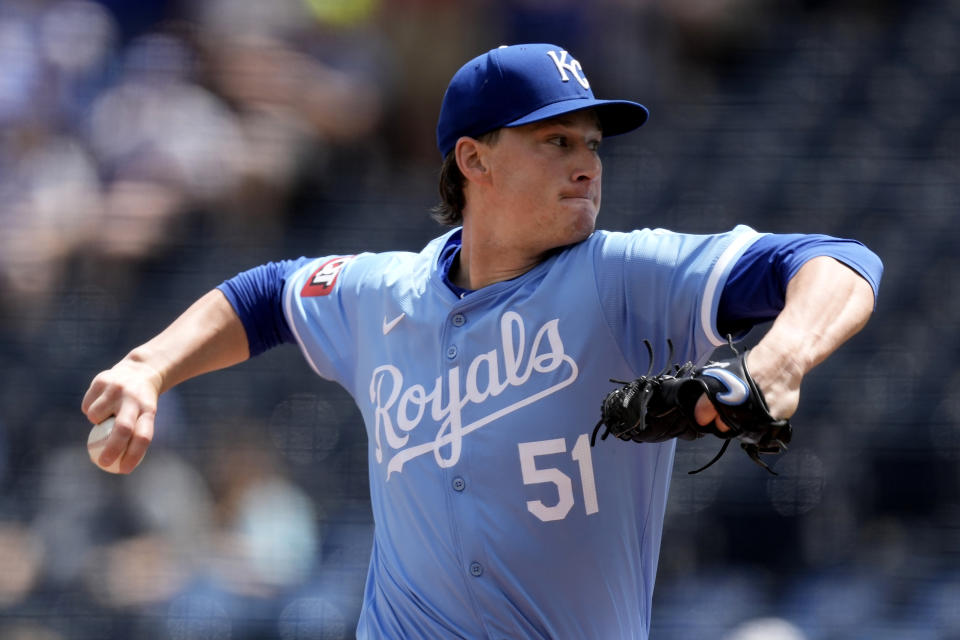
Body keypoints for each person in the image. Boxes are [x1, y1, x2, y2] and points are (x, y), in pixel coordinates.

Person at [82, 43, 882, 639]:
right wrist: (151, 366)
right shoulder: (382, 293)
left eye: (592, 144)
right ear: (474, 159)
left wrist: (780, 356)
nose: (586, 166)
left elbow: (839, 261)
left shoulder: (624, 277)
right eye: (554, 142)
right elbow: (265, 298)